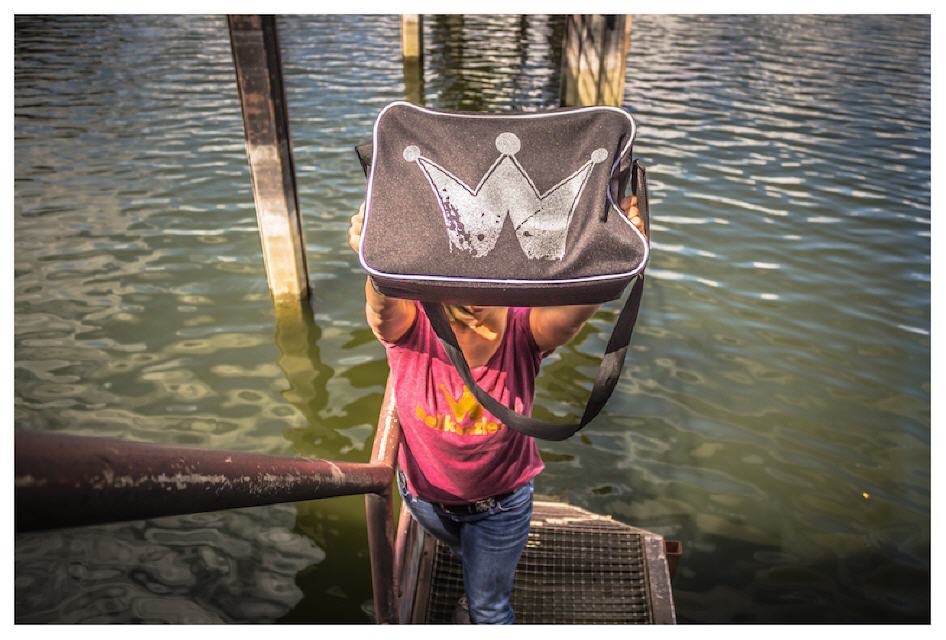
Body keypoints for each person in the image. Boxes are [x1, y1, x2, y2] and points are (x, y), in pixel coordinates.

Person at [347, 196, 645, 624]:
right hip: (424, 499)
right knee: (471, 561)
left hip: (500, 508)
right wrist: (378, 255)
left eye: (490, 277)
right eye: (463, 276)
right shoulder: (413, 325)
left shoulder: (524, 329)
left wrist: (614, 251)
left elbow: (570, 316)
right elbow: (382, 307)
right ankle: (478, 573)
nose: (476, 295)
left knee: (490, 608)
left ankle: (480, 592)